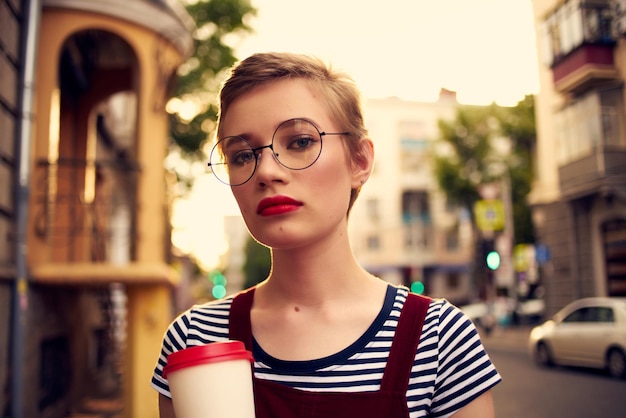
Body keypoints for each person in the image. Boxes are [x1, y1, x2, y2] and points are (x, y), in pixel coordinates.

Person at [152, 52, 502, 417]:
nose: (266, 171)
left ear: (360, 162)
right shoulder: (195, 340)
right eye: (242, 155)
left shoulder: (439, 339)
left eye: (300, 142)